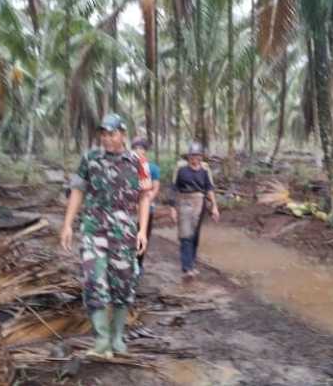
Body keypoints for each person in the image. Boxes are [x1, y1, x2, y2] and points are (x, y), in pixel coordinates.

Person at [60, 113, 151, 358]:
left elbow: (144, 197)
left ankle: (117, 337)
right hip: (93, 229)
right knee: (93, 281)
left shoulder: (136, 162)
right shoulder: (90, 159)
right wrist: (68, 224)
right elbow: (77, 191)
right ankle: (101, 342)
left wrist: (142, 230)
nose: (107, 139)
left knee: (123, 284)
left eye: (112, 134)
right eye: (103, 134)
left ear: (122, 134)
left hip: (124, 233)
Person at [171, 142, 220, 280]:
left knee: (195, 236)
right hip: (184, 202)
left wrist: (214, 207)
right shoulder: (181, 169)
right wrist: (173, 207)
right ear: (189, 156)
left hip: (200, 203)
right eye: (192, 155)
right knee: (186, 235)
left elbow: (209, 189)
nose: (194, 158)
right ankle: (186, 268)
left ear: (201, 157)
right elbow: (174, 188)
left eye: (197, 156)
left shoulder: (205, 170)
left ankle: (191, 263)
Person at [131, 137, 160, 274]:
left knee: (143, 235)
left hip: (147, 207)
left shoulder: (152, 168)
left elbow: (155, 188)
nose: (139, 151)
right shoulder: (128, 165)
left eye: (141, 149)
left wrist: (145, 201)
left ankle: (139, 264)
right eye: (136, 148)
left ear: (145, 151)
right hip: (130, 209)